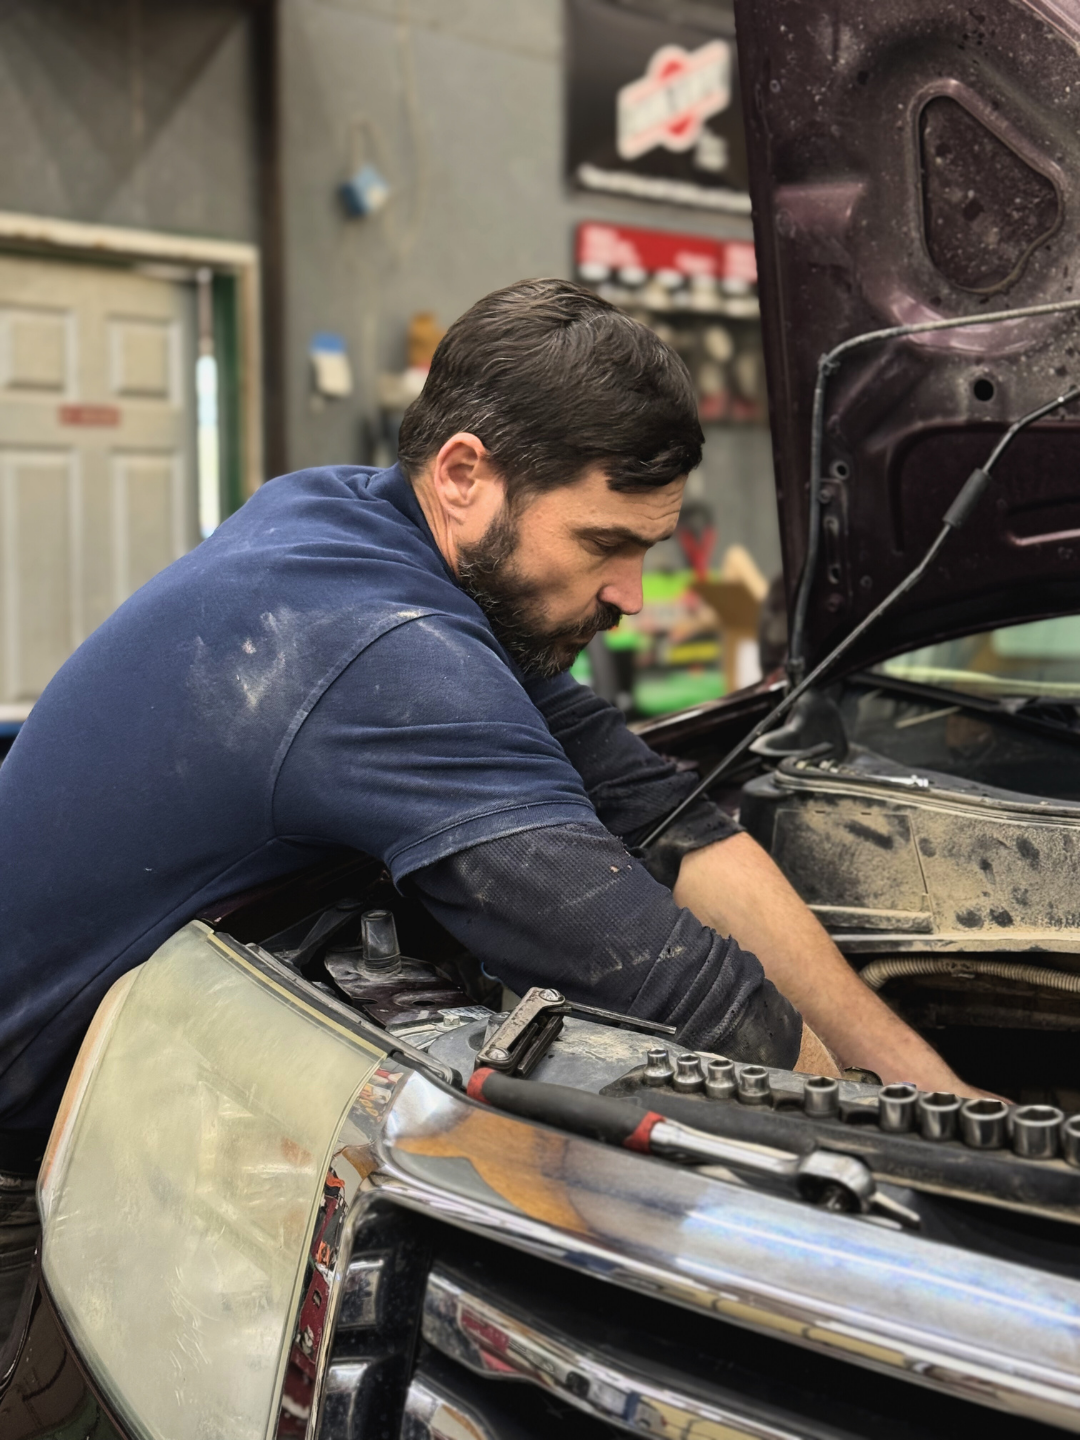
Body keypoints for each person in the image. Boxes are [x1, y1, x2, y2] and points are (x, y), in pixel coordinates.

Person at [0, 280, 973, 1248]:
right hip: (28, 1180)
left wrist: (931, 1096)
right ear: (464, 473)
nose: (634, 594)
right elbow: (661, 984)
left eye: (648, 549)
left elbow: (674, 827)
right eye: (604, 544)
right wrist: (917, 1180)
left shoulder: (359, 533)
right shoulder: (378, 643)